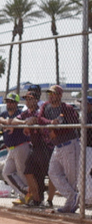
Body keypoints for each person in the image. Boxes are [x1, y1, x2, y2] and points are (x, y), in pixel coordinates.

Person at [38, 85, 80, 213]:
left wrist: (58, 129)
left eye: (54, 94)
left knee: (71, 178)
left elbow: (74, 124)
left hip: (69, 145)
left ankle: (72, 204)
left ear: (60, 95)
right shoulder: (46, 106)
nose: (51, 96)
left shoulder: (66, 108)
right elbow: (40, 119)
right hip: (57, 146)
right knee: (52, 172)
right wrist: (51, 124)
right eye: (50, 93)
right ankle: (72, 196)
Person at [15, 86, 52, 207]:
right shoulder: (26, 113)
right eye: (26, 99)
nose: (28, 101)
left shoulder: (41, 110)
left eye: (31, 99)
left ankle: (49, 201)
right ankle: (37, 200)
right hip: (34, 146)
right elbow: (14, 121)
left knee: (47, 173)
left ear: (36, 100)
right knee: (28, 172)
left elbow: (37, 119)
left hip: (45, 146)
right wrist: (24, 122)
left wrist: (33, 120)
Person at [0, 93, 29, 202]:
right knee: (6, 172)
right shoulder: (4, 113)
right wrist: (0, 121)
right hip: (10, 149)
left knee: (21, 173)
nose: (9, 104)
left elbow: (14, 121)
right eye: (8, 101)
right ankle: (24, 192)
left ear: (16, 103)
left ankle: (27, 196)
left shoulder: (20, 114)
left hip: (21, 146)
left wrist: (6, 121)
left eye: (12, 102)